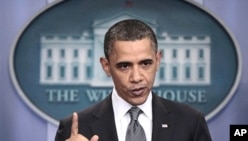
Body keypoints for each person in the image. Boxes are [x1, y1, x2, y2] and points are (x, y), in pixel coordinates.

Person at [55, 19, 212, 141]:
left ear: (158, 61)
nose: (136, 77)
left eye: (145, 63)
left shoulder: (190, 121)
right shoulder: (74, 129)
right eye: (124, 66)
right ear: (106, 66)